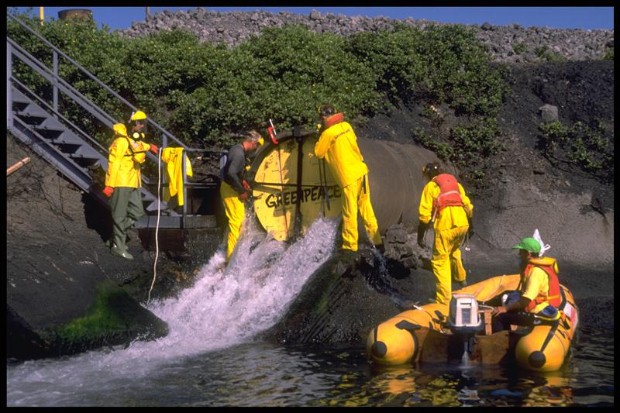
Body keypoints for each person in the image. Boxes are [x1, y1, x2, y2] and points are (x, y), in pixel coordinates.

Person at [314, 103, 383, 253]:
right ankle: (377, 241)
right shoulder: (347, 126)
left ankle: (350, 246)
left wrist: (320, 134)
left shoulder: (328, 134)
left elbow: (318, 152)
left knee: (350, 212)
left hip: (348, 177)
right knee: (366, 208)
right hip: (361, 171)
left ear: (324, 117)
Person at [103, 110, 158, 260]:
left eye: (142, 123)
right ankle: (118, 247)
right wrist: (110, 184)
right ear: (131, 124)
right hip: (121, 181)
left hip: (133, 182)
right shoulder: (120, 141)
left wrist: (149, 146)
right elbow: (113, 163)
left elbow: (137, 145)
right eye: (138, 123)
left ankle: (115, 237)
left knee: (137, 213)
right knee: (119, 215)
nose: (141, 126)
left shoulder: (131, 140)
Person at [417, 162, 473, 304]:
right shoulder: (455, 184)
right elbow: (467, 205)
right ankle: (461, 278)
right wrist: (471, 226)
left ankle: (444, 300)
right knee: (454, 249)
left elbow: (424, 215)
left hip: (446, 226)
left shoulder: (431, 187)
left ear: (429, 174)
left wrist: (420, 235)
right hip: (462, 223)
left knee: (439, 261)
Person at [491, 236, 562, 332]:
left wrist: (505, 308)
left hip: (540, 314)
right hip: (545, 307)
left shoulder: (535, 272)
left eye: (521, 252)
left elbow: (526, 300)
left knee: (499, 316)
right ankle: (509, 336)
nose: (519, 255)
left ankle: (503, 343)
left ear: (528, 254)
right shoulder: (540, 267)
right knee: (507, 306)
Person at [220, 130, 264, 263]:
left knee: (237, 221)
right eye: (257, 146)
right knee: (237, 222)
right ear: (253, 143)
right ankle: (230, 258)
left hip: (230, 188)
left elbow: (234, 172)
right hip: (230, 191)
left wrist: (242, 180)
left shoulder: (237, 149)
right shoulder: (239, 153)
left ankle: (228, 252)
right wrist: (241, 191)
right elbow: (231, 173)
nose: (256, 149)